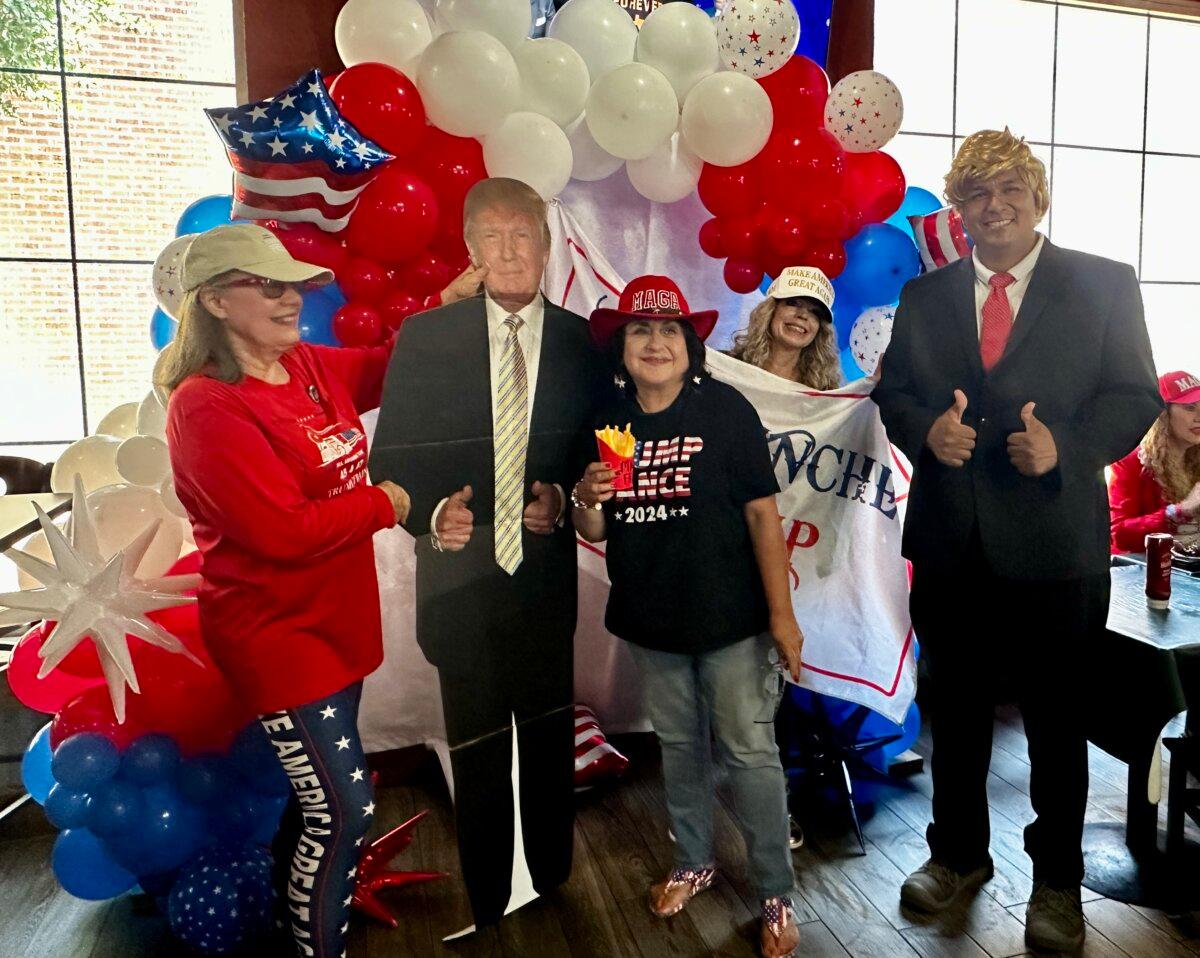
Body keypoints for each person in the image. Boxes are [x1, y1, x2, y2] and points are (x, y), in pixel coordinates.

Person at [873, 129, 1161, 954]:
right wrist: (927, 430)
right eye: (975, 195)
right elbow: (893, 393)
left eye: (1008, 190)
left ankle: (1059, 882)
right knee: (954, 712)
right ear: (957, 210)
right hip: (951, 540)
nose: (992, 207)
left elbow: (1135, 391)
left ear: (1038, 196)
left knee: (1056, 723)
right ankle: (957, 857)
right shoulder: (926, 297)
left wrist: (1064, 448)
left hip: (1055, 543)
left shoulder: (1102, 283)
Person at [161, 223, 411, 958]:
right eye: (266, 284)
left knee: (316, 807)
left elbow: (389, 367)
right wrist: (385, 502)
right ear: (214, 301)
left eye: (291, 283)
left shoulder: (304, 363)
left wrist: (448, 305)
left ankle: (292, 913)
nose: (290, 296)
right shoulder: (205, 406)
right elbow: (281, 531)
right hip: (277, 636)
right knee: (344, 809)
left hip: (338, 622)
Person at [368, 178, 605, 928]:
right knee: (474, 746)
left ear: (545, 244)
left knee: (544, 740)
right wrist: (433, 513)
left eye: (522, 236)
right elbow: (389, 458)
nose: (508, 251)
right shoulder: (425, 338)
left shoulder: (580, 339)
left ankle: (550, 876)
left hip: (543, 581)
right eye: (492, 237)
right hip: (458, 581)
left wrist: (568, 500)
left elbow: (610, 447)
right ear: (471, 249)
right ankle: (491, 891)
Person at [572, 275, 803, 958]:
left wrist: (782, 618)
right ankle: (694, 860)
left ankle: (774, 892)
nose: (654, 341)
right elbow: (600, 524)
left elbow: (764, 514)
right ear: (621, 348)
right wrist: (587, 494)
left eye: (669, 329)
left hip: (732, 619)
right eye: (640, 330)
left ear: (689, 344)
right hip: (651, 619)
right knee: (679, 746)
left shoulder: (725, 411)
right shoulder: (611, 421)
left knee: (750, 751)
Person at [1109, 370, 1200, 553]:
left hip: (1188, 567)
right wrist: (1180, 512)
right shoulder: (1129, 461)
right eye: (1190, 408)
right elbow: (1119, 535)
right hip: (1142, 572)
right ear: (1163, 414)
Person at [728, 264, 841, 389]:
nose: (803, 315)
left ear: (820, 329)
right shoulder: (726, 367)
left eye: (815, 312)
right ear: (770, 310)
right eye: (793, 303)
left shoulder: (826, 393)